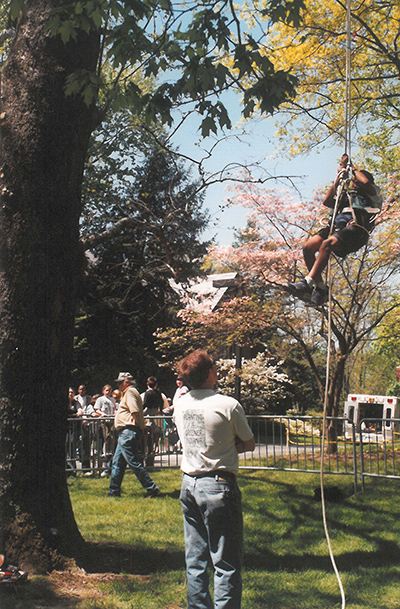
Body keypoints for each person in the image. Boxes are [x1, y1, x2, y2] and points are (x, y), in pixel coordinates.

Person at [173, 350, 255, 609]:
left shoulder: (182, 403)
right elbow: (249, 443)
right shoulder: (227, 404)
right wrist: (229, 447)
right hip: (218, 486)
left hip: (189, 484)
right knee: (226, 562)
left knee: (195, 560)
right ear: (210, 374)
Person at [288, 154, 383, 306]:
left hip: (355, 229)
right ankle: (321, 289)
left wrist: (351, 167)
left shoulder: (373, 194)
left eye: (356, 179)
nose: (354, 181)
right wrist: (338, 180)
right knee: (308, 247)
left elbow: (364, 181)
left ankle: (308, 282)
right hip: (336, 227)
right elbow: (326, 201)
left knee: (327, 244)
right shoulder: (346, 196)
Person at [107, 372, 162, 498]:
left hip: (128, 431)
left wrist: (142, 426)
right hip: (125, 432)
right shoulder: (129, 393)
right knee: (117, 463)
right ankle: (114, 491)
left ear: (126, 382)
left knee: (133, 463)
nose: (118, 385)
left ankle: (153, 489)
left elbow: (136, 412)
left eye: (119, 382)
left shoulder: (130, 392)